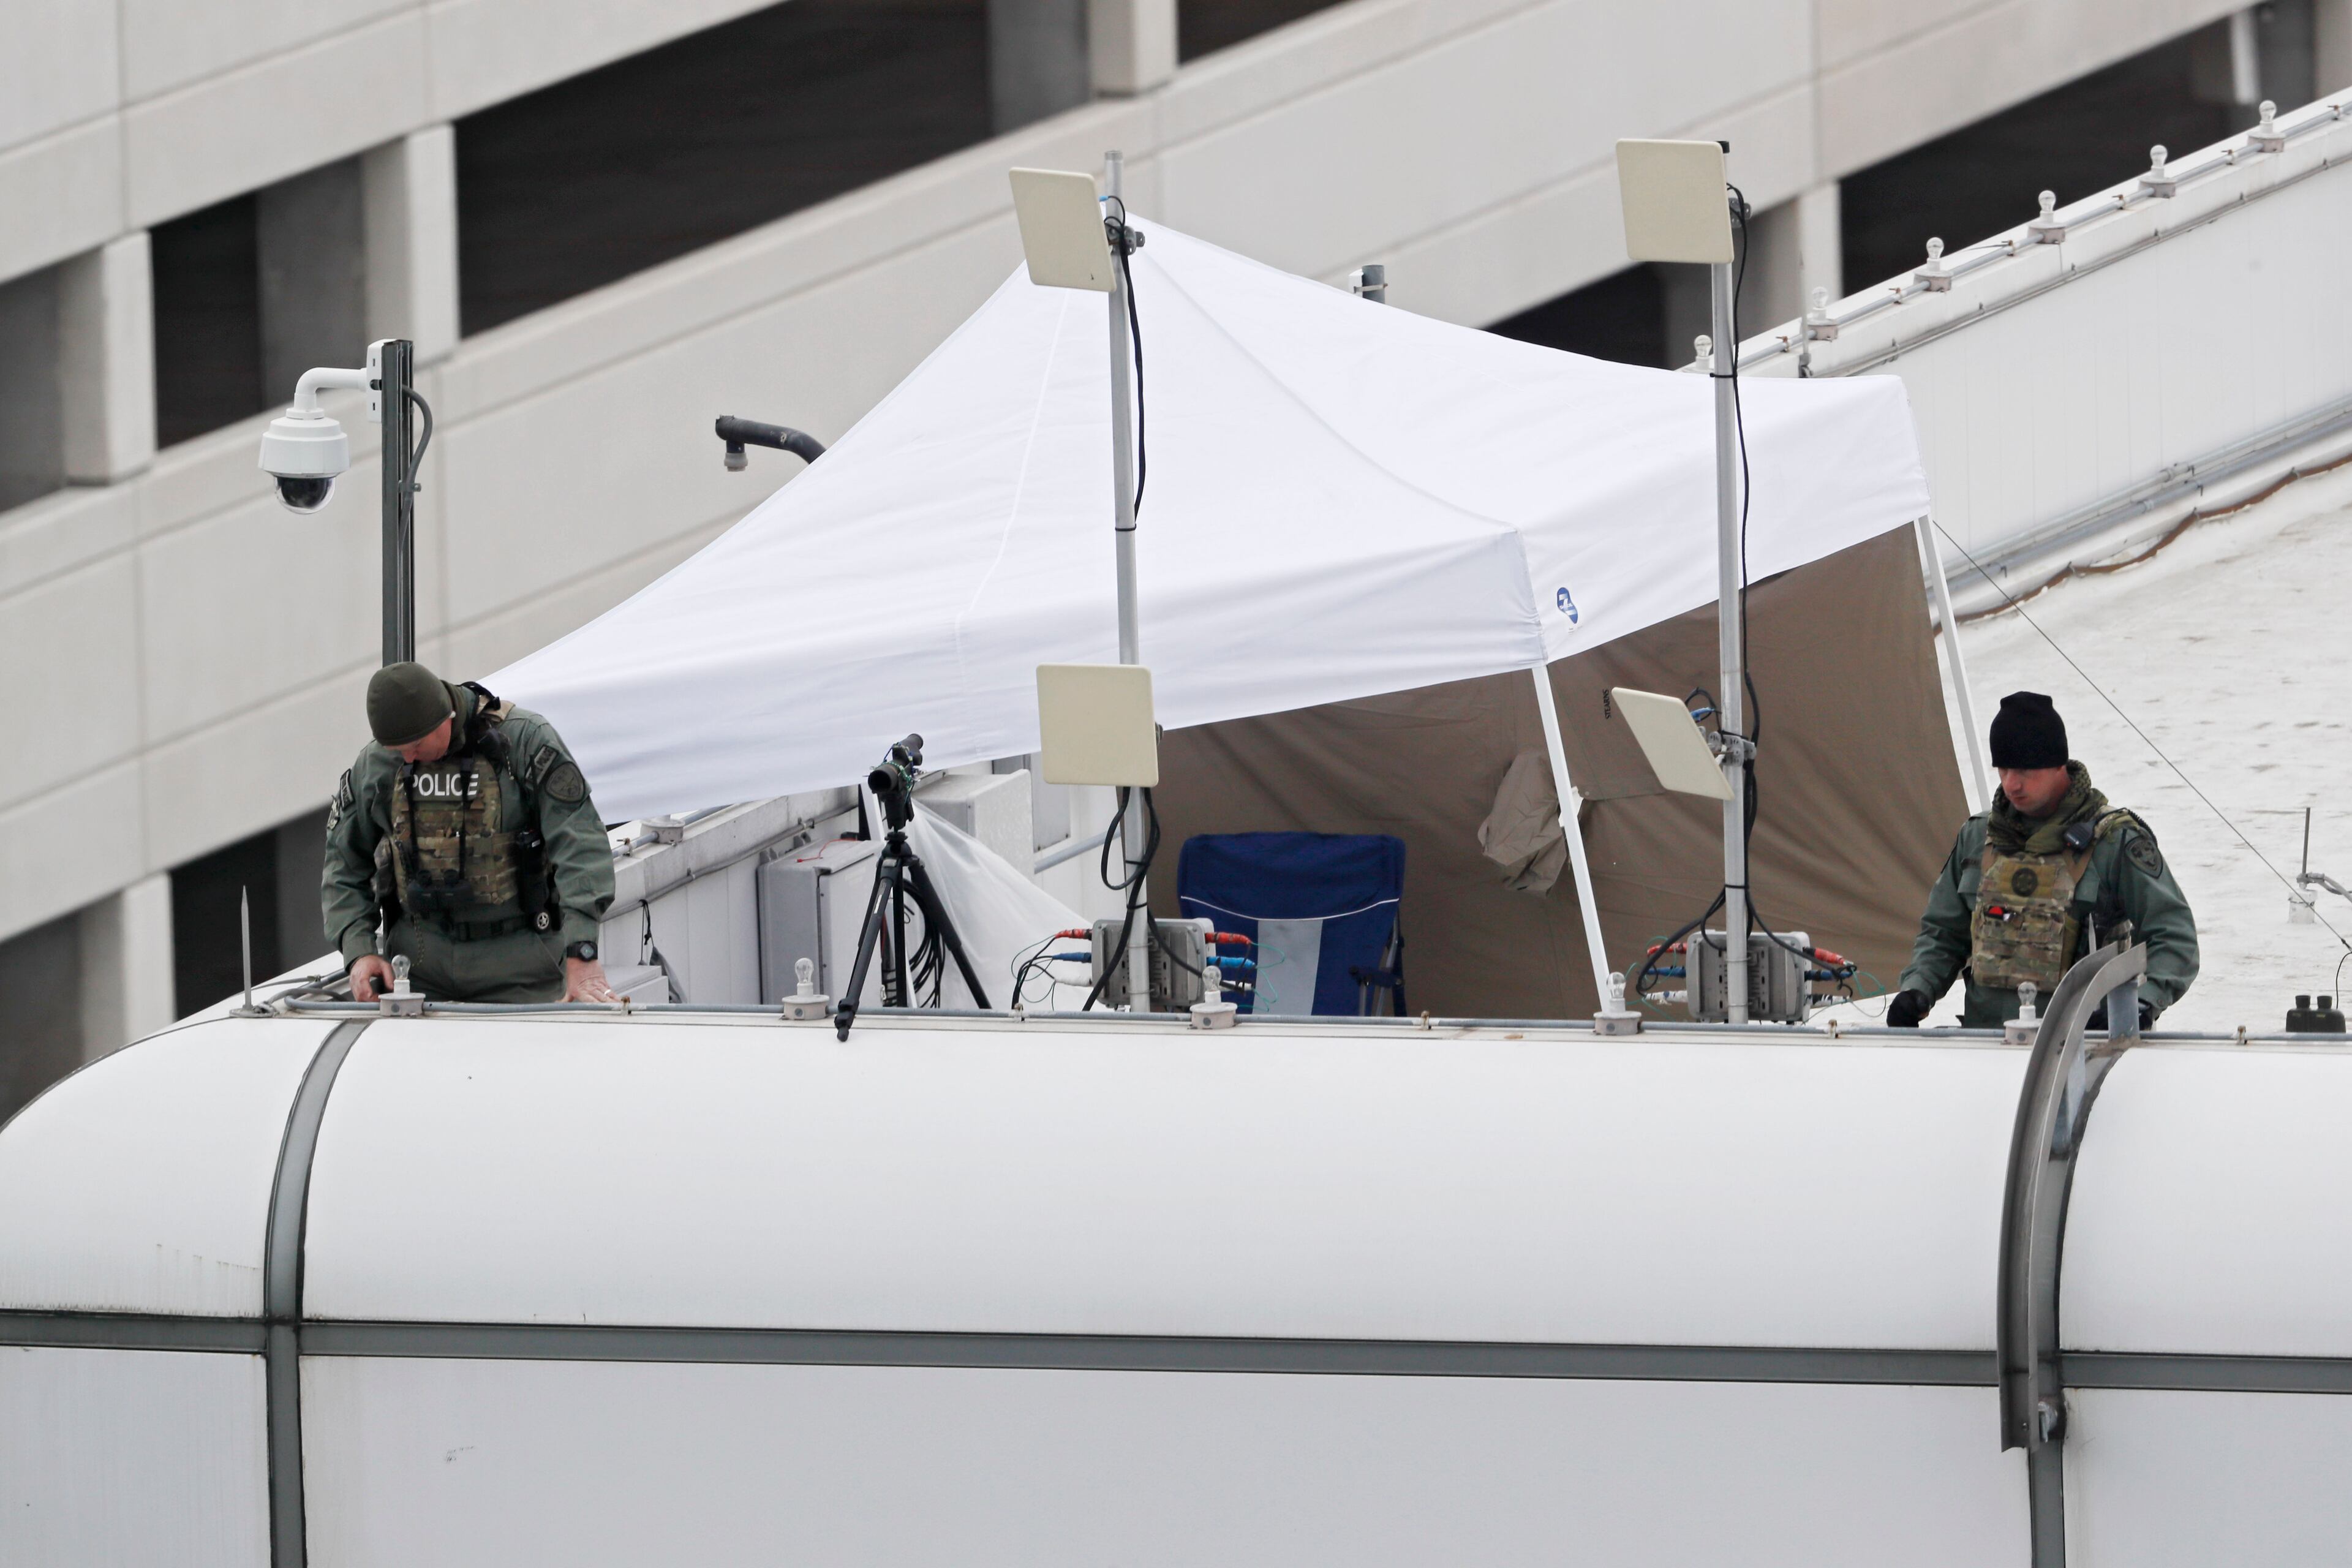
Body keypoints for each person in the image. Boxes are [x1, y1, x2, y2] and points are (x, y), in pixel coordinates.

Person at [1888, 690, 2197, 1030]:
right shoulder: (1978, 838)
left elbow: (2174, 937)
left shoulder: (2114, 841)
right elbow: (1943, 932)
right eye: (2003, 769)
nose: (2012, 784)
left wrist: (2140, 1003)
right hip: (1985, 1044)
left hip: (2082, 1047)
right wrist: (1917, 989)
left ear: (2058, 766)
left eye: (2024, 771)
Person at [323, 662, 619, 1003]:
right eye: (398, 749)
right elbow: (343, 866)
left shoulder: (522, 741)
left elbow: (580, 845)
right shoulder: (378, 764)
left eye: (416, 743)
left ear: (446, 716)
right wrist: (359, 951)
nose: (409, 755)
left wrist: (581, 953)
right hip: (415, 976)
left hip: (521, 973)